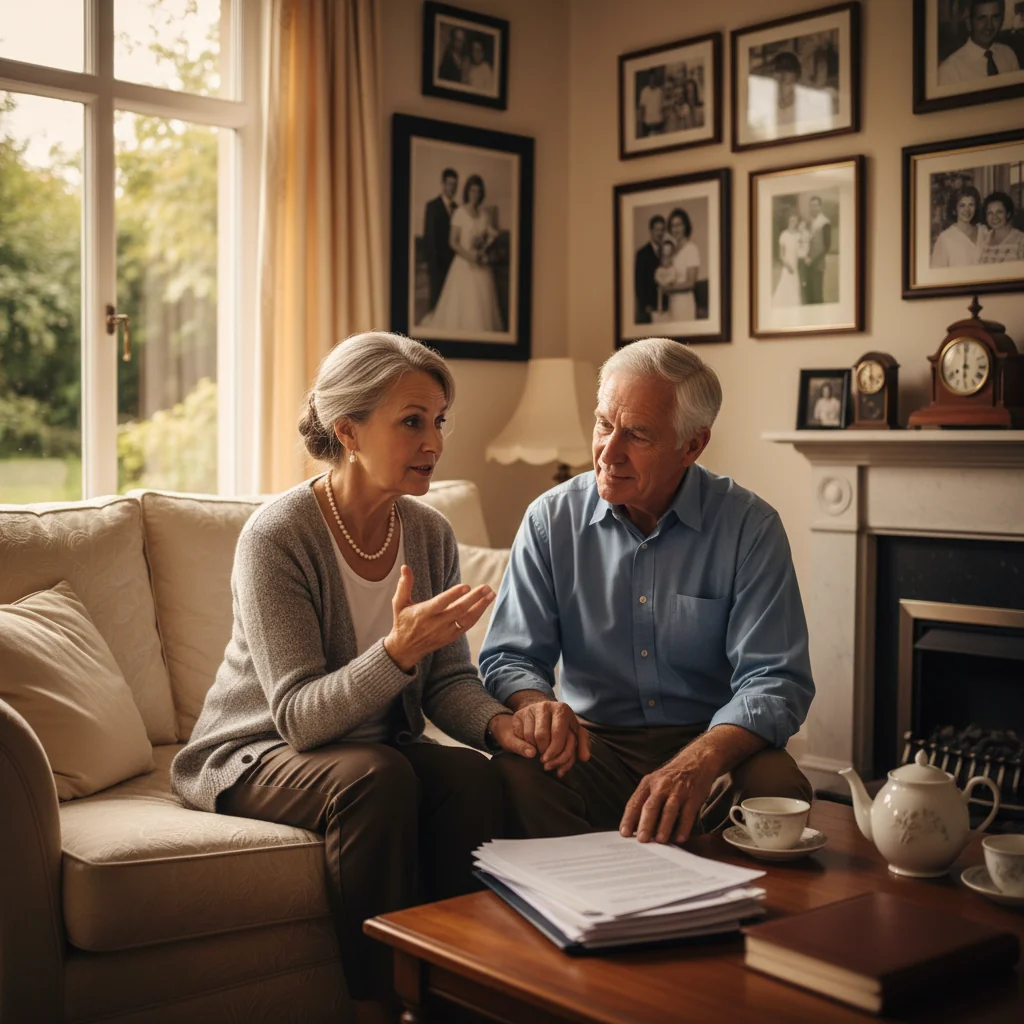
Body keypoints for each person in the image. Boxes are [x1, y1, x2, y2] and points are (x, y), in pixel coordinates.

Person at [171, 333, 531, 1020]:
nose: (435, 441)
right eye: (412, 421)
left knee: (472, 776)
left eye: (439, 420)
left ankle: (465, 993)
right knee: (378, 776)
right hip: (257, 752)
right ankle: (381, 1003)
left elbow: (450, 681)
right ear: (349, 430)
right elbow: (300, 719)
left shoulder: (428, 533)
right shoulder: (278, 536)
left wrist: (499, 725)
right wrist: (396, 653)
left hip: (370, 750)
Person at [480, 338, 814, 844]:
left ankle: (732, 916)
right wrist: (538, 707)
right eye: (603, 424)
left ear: (693, 445)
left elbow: (775, 681)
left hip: (712, 743)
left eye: (636, 434)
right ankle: (577, 911)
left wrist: (698, 763)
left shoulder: (750, 526)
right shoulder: (550, 520)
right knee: (517, 771)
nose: (608, 452)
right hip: (593, 747)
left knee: (776, 783)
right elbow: (509, 656)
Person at [422, 174, 504, 332]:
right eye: (473, 190)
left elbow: (492, 235)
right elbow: (452, 242)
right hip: (463, 263)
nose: (475, 194)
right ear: (467, 191)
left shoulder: (484, 215)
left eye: (479, 191)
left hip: (480, 264)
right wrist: (469, 256)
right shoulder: (459, 212)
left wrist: (483, 248)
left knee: (483, 303)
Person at [938, 0, 1019, 84]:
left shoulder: (1008, 55)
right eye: (982, 18)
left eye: (995, 17)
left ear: (1002, 20)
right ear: (969, 22)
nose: (989, 26)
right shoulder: (950, 70)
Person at [423, 168, 459, 311]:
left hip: (454, 264)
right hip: (437, 264)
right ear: (443, 184)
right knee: (436, 299)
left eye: (455, 185)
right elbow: (429, 237)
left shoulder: (458, 208)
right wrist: (431, 265)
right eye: (450, 184)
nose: (452, 188)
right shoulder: (432, 206)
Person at [931, 186, 983, 268]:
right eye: (962, 205)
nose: (967, 210)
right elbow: (937, 273)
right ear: (954, 210)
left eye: (971, 205)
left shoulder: (984, 231)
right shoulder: (945, 238)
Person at [663, 207, 700, 322]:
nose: (675, 229)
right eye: (673, 226)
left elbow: (690, 283)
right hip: (672, 303)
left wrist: (669, 288)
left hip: (684, 303)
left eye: (679, 225)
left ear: (685, 226)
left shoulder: (691, 249)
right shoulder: (673, 250)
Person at [633, 214, 665, 324]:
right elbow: (639, 282)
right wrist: (645, 305)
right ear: (651, 231)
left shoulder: (667, 251)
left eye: (662, 230)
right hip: (649, 307)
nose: (660, 233)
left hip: (665, 306)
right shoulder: (642, 253)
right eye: (657, 230)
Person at [977, 191, 1024, 264]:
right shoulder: (984, 239)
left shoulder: (1020, 240)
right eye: (990, 213)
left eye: (999, 212)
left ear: (1008, 214)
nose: (994, 217)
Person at [804, 196, 831, 304]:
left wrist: (813, 260)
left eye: (815, 205)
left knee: (817, 296)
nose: (813, 208)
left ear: (820, 207)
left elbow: (827, 246)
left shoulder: (825, 222)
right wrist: (805, 257)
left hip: (817, 265)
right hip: (807, 263)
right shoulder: (809, 222)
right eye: (811, 205)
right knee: (808, 295)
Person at [773, 210, 804, 307]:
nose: (793, 223)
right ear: (788, 221)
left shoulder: (799, 235)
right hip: (787, 266)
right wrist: (788, 266)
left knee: (795, 289)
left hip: (796, 266)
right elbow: (781, 255)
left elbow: (801, 252)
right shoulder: (783, 235)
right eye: (791, 221)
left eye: (795, 221)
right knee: (785, 286)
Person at [653, 238, 677, 323]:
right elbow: (657, 276)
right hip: (661, 288)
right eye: (665, 249)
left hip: (671, 289)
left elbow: (674, 275)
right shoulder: (658, 264)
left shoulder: (674, 262)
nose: (667, 251)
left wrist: (669, 282)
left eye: (669, 249)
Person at [637, 69, 665, 137]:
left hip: (659, 125)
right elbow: (642, 108)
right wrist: (641, 126)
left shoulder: (660, 92)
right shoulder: (644, 92)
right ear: (649, 79)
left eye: (654, 78)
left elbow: (662, 107)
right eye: (651, 78)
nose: (652, 80)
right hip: (648, 126)